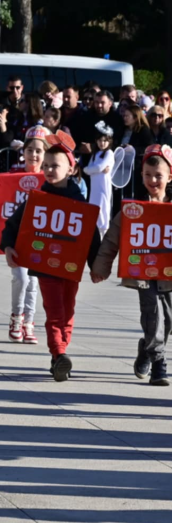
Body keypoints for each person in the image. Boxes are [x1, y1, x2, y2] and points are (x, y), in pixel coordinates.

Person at [90, 145, 172, 386]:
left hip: (170, 274)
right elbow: (111, 238)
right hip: (142, 273)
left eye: (158, 175)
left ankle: (146, 348)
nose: (153, 180)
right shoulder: (132, 210)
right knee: (152, 315)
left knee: (170, 323)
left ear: (169, 177)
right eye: (148, 175)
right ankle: (159, 362)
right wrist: (101, 267)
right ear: (141, 175)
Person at [2, 140, 102, 381]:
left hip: (70, 267)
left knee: (68, 311)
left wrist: (96, 265)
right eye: (45, 165)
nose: (48, 170)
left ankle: (60, 356)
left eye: (54, 165)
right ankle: (59, 352)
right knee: (54, 312)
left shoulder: (80, 201)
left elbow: (91, 236)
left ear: (71, 169)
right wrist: (8, 247)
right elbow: (13, 225)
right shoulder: (37, 198)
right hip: (45, 266)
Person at [5, 126, 49, 344]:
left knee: (33, 281)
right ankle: (16, 317)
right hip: (17, 237)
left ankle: (29, 322)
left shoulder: (50, 178)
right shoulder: (13, 173)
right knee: (21, 278)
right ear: (24, 151)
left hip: (40, 239)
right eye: (30, 149)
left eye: (39, 151)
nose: (34, 155)